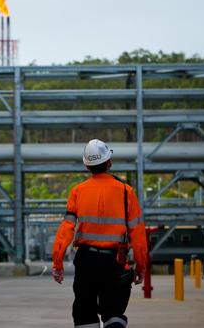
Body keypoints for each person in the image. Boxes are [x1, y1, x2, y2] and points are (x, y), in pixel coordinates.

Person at [52, 139, 148, 328]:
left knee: (84, 312)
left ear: (87, 165)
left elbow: (66, 229)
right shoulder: (126, 192)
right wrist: (140, 266)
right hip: (115, 262)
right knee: (114, 311)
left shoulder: (77, 191)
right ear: (109, 162)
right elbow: (137, 233)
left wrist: (57, 263)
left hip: (86, 261)